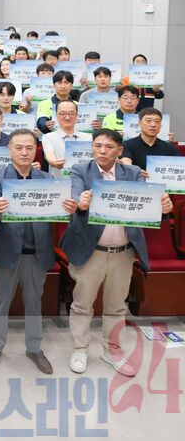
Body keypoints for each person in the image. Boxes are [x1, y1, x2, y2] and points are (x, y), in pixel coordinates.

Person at [62, 129, 172, 375]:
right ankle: (80, 348)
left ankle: (112, 350)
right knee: (82, 304)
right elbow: (75, 196)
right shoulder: (81, 170)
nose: (102, 151)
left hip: (123, 252)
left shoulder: (132, 173)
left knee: (116, 306)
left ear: (120, 151)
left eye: (109, 147)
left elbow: (148, 207)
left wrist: (163, 208)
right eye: (97, 146)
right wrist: (81, 203)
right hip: (90, 250)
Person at [0, 130, 78, 373]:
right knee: (1, 302)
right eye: (19, 147)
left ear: (36, 150)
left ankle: (34, 348)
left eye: (29, 148)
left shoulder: (47, 179)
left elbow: (62, 213)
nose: (24, 152)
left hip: (37, 253)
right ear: (9, 150)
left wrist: (69, 209)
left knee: (34, 303)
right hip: (7, 252)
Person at [41, 100, 93, 179]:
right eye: (63, 113)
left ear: (77, 115)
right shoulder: (48, 137)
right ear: (56, 115)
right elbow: (49, 154)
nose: (68, 117)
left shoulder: (89, 138)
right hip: (60, 183)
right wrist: (54, 162)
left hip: (84, 183)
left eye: (71, 113)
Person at [120, 107, 179, 172]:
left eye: (157, 121)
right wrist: (136, 172)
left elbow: (178, 166)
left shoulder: (169, 148)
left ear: (160, 125)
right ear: (139, 123)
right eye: (148, 121)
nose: (153, 125)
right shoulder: (128, 145)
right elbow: (126, 161)